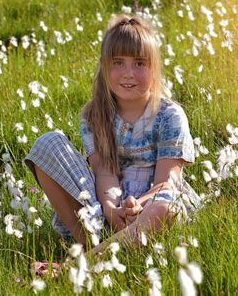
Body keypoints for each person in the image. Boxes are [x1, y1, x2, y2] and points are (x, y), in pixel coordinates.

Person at [24, 14, 201, 252]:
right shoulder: (95, 115)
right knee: (47, 143)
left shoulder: (169, 116)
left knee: (165, 206)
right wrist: (111, 209)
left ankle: (87, 262)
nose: (128, 73)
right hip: (107, 209)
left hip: (150, 210)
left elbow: (166, 183)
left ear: (153, 68)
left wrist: (136, 206)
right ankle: (94, 243)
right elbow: (104, 172)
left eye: (139, 63)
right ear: (105, 67)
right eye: (118, 62)